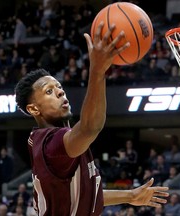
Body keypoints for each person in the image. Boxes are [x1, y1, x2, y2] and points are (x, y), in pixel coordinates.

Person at [14, 21, 169, 216]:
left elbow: (86, 194)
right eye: (49, 91)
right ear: (34, 108)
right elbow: (90, 127)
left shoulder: (52, 143)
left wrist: (130, 196)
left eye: (59, 87)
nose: (60, 92)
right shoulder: (52, 145)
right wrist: (97, 70)